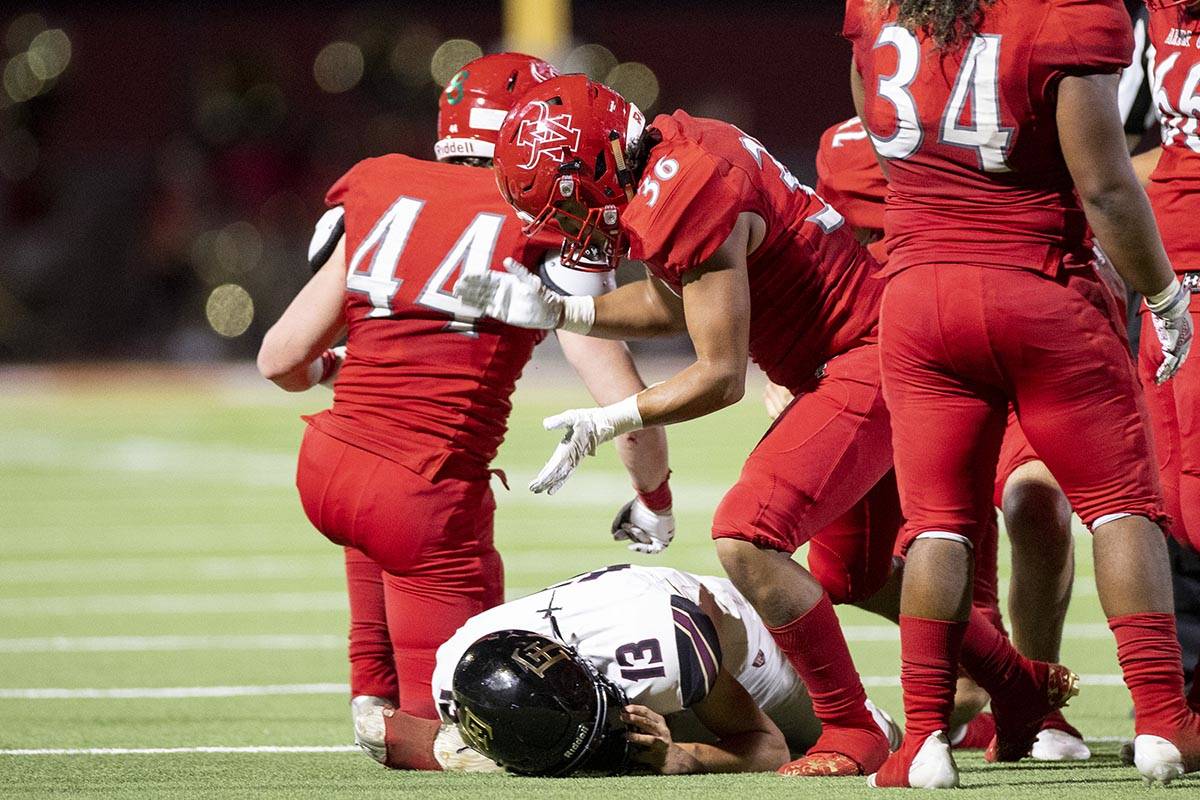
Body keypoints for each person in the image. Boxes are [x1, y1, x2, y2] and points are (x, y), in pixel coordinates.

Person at [456, 74, 1072, 777]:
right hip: (854, 353)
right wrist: (562, 312)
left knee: (747, 535)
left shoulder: (685, 189)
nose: (569, 229)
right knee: (855, 573)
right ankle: (1019, 689)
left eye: (563, 207)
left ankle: (850, 727)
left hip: (865, 358)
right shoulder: (672, 157)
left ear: (591, 165)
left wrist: (613, 417)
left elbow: (719, 376)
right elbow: (675, 303)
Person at [255, 53, 673, 754]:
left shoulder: (381, 184)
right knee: (472, 732)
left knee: (372, 527)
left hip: (326, 464)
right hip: (421, 494)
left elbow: (279, 358)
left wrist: (341, 370)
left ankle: (371, 691)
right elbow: (620, 399)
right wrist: (654, 495)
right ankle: (410, 734)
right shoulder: (544, 214)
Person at [846, 0, 1198, 787]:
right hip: (1036, 284)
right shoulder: (1068, 11)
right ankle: (1162, 722)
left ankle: (926, 741)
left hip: (918, 292)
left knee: (937, 525)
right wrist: (1165, 297)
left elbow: (879, 135)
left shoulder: (879, 9)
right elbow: (1105, 185)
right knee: (1120, 506)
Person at [785, 115, 1093, 760]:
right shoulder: (844, 141)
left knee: (1035, 503)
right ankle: (1005, 687)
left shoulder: (1017, 105)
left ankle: (1037, 708)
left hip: (1018, 323)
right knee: (867, 561)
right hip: (910, 351)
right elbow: (827, 251)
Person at [359, 564, 900, 774]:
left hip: (741, 653)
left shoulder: (666, 656)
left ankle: (966, 719)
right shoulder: (460, 665)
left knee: (874, 739)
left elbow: (765, 747)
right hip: (652, 651)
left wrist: (681, 756)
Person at [1136, 0, 1200, 708]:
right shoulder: (1155, 17)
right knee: (1170, 497)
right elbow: (1169, 149)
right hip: (1170, 277)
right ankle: (1179, 697)